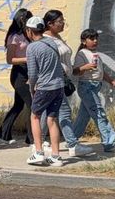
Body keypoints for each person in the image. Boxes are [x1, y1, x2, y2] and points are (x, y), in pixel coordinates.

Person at [39, 10, 94, 157]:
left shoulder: (57, 37)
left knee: (47, 112)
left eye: (63, 20)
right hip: (55, 81)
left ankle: (39, 143)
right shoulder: (46, 40)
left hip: (61, 80)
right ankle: (72, 144)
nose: (63, 23)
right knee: (64, 112)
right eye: (60, 21)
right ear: (50, 24)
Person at [71, 28, 115, 153]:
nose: (95, 41)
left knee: (83, 116)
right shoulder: (82, 53)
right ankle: (109, 142)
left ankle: (72, 140)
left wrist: (112, 81)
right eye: (91, 39)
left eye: (96, 38)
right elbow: (75, 71)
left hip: (95, 86)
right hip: (87, 86)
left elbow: (101, 72)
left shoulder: (95, 54)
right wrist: (86, 67)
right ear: (84, 41)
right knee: (99, 113)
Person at [26, 16, 65, 167]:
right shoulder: (51, 42)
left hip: (44, 86)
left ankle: (38, 152)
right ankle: (56, 156)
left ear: (30, 31)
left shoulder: (32, 47)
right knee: (52, 119)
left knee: (35, 116)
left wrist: (32, 89)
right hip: (58, 85)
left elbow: (33, 73)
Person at [0, 9, 34, 145]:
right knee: (32, 104)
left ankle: (2, 133)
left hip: (28, 72)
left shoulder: (28, 35)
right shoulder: (14, 37)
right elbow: (10, 59)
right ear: (21, 20)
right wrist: (27, 58)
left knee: (18, 105)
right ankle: (32, 138)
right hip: (19, 74)